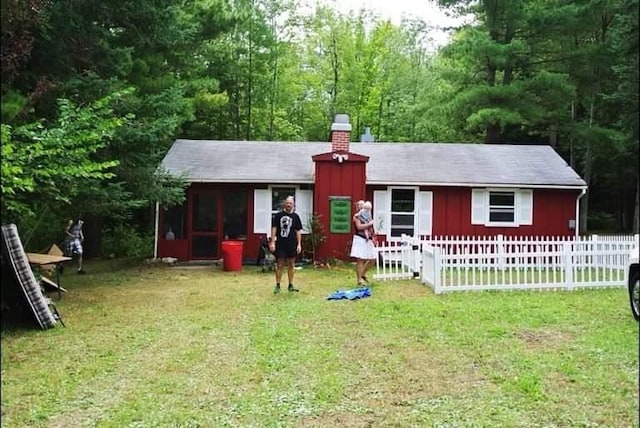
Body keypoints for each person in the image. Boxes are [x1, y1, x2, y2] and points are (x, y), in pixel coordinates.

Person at [269, 196, 303, 294]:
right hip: (281, 244)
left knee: (291, 264)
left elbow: (298, 231)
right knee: (280, 264)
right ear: (285, 204)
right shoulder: (278, 215)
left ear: (293, 205)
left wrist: (299, 244)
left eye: (290, 203)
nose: (288, 205)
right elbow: (274, 228)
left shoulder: (296, 217)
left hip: (292, 244)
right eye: (287, 203)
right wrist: (272, 242)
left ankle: (290, 285)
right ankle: (278, 285)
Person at [350, 200, 377, 285]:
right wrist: (369, 224)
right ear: (357, 207)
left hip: (368, 239)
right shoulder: (356, 217)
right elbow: (359, 227)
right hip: (360, 238)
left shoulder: (368, 215)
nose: (361, 206)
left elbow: (371, 227)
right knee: (360, 259)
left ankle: (363, 274)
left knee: (373, 259)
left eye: (363, 205)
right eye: (359, 205)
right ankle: (359, 280)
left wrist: (373, 235)